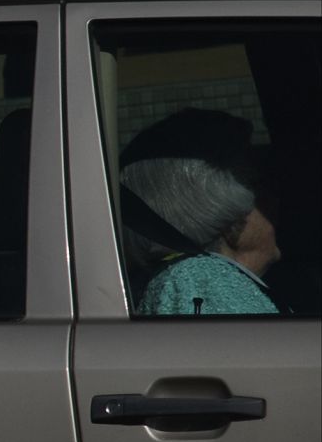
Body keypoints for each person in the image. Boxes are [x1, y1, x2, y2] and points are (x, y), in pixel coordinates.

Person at [119, 108, 284, 315]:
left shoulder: (195, 279)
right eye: (258, 183)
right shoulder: (198, 283)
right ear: (225, 215)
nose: (274, 198)